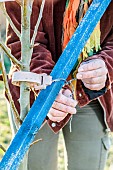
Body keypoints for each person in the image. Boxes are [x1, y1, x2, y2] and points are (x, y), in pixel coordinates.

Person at [5, 0, 113, 170]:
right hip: (35, 93)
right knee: (35, 165)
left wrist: (106, 64)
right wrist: (49, 87)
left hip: (92, 97)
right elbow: (23, 37)